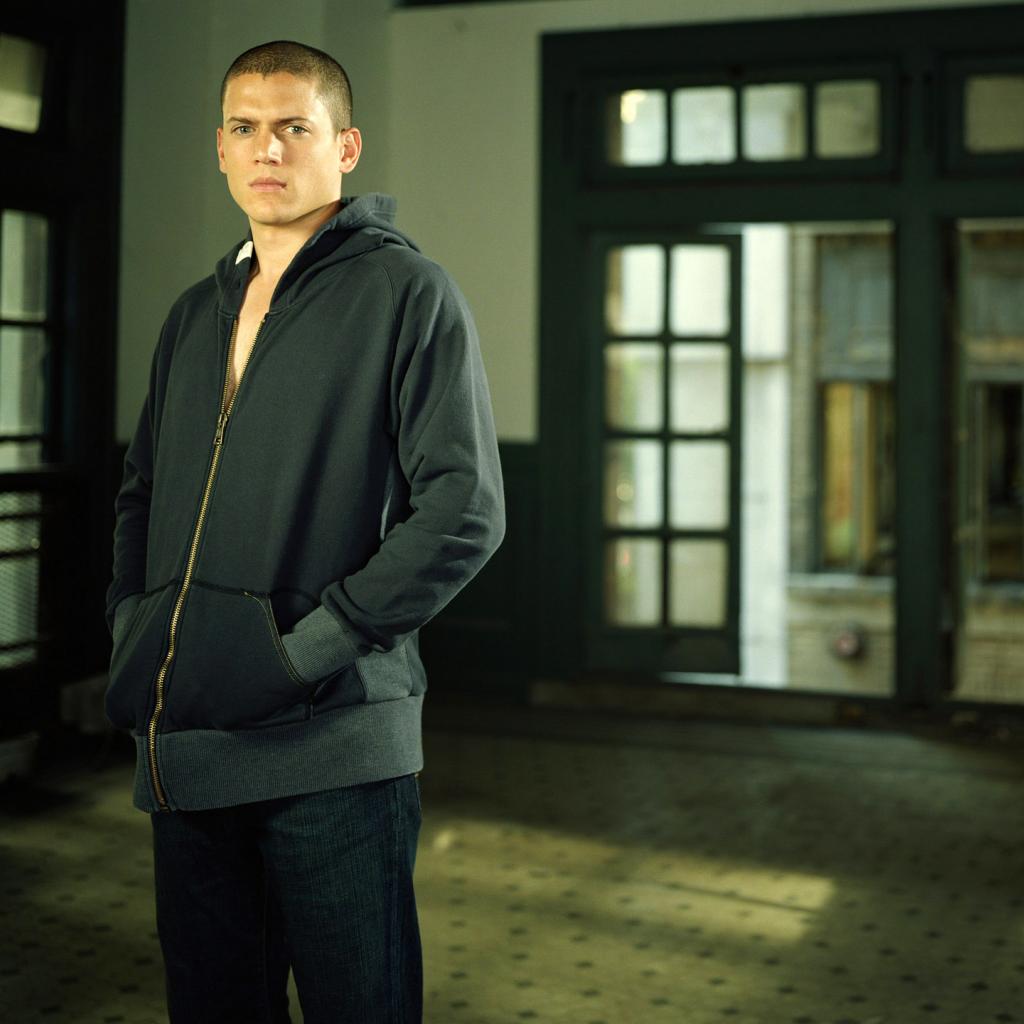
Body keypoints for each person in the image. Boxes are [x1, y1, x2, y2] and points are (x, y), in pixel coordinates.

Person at [104, 39, 505, 1024]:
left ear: (346, 148)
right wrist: (132, 627)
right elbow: (141, 491)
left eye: (294, 126)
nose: (267, 149)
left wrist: (306, 651)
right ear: (220, 148)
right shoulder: (194, 314)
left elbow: (464, 510)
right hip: (191, 745)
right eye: (245, 128)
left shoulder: (407, 293)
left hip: (334, 747)